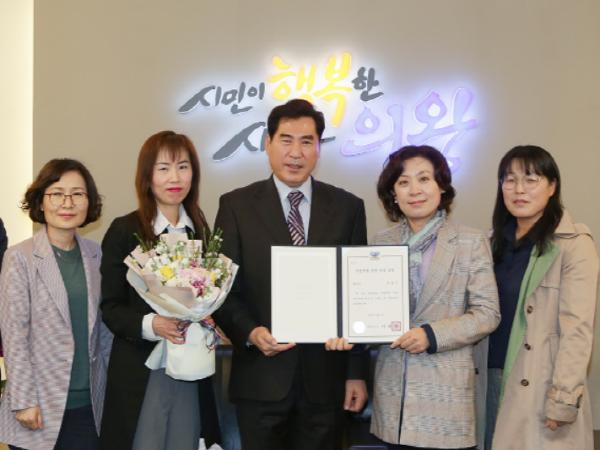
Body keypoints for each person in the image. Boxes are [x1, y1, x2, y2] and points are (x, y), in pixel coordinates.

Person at [213, 98, 369, 450]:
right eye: (286, 140)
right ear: (268, 143)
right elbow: (223, 290)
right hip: (260, 379)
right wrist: (251, 332)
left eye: (306, 141)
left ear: (318, 148)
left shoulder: (347, 208)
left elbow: (356, 294)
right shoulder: (235, 206)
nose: (295, 152)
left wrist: (356, 373)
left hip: (325, 383)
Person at [369, 145, 500, 450]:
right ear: (393, 194)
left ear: (441, 186)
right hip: (395, 401)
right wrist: (350, 329)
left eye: (424, 179)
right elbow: (369, 308)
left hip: (445, 400)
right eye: (403, 182)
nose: (415, 190)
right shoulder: (380, 243)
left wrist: (431, 335)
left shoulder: (470, 241)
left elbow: (487, 313)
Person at [98, 131, 221, 450]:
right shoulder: (125, 230)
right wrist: (153, 324)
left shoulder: (201, 231)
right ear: (147, 176)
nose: (174, 178)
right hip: (142, 366)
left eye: (183, 167)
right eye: (163, 168)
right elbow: (110, 307)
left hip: (192, 366)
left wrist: (208, 317)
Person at [484, 145, 598, 450]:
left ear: (552, 187)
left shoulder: (574, 245)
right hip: (489, 379)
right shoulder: (490, 244)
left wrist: (563, 398)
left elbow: (577, 329)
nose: (519, 189)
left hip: (539, 384)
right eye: (510, 180)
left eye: (531, 179)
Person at [0, 159, 111, 450]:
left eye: (78, 194)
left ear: (89, 202)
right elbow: (14, 334)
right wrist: (23, 401)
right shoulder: (20, 257)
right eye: (57, 193)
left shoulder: (97, 255)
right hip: (38, 407)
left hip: (90, 406)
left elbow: (104, 330)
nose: (67, 203)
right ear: (41, 201)